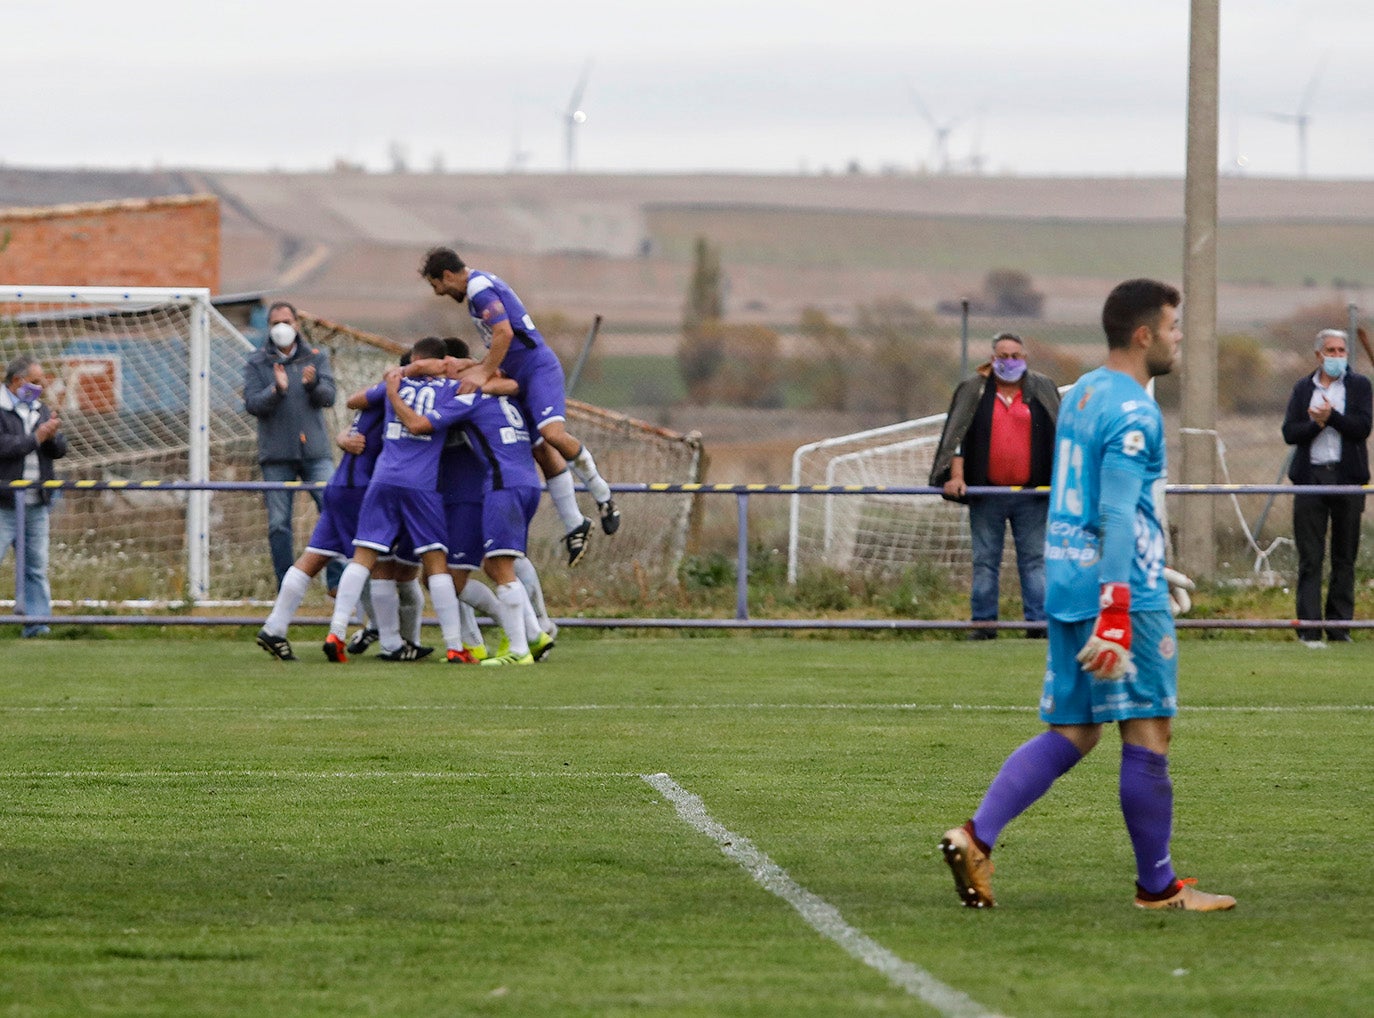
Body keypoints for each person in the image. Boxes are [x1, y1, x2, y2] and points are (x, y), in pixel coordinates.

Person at [938, 278, 1235, 913]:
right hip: (1117, 594)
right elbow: (1120, 513)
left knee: (1074, 730)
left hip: (1069, 584)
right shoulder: (1133, 409)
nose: (1180, 339)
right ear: (1144, 334)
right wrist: (1123, 608)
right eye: (1175, 328)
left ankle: (975, 835)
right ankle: (1158, 888)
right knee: (1149, 734)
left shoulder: (1083, 395)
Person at [419, 247, 620, 567]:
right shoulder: (478, 290)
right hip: (518, 371)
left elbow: (504, 332)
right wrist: (476, 365)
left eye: (437, 286)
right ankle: (575, 524)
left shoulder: (479, 289)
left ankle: (603, 494)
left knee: (551, 433)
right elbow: (499, 345)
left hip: (537, 369)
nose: (440, 293)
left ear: (446, 275)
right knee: (540, 449)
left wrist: (482, 373)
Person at [930, 332, 1059, 638]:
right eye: (1003, 356)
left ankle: (1038, 625)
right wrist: (956, 477)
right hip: (986, 493)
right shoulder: (974, 391)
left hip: (1032, 495)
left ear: (1024, 359)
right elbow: (957, 439)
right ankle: (984, 625)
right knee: (985, 562)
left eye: (1015, 356)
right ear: (992, 359)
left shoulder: (1042, 389)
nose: (1009, 362)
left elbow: (1060, 437)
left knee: (1034, 562)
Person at [1281, 328, 1372, 645]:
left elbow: (1361, 427)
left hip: (1347, 479)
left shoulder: (1359, 386)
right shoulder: (1303, 388)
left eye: (1341, 351)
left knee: (1344, 557)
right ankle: (1308, 628)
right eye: (1330, 351)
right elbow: (1290, 433)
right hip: (1311, 479)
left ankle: (1339, 627)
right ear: (1318, 355)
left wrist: (1331, 417)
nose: (1336, 357)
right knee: (1310, 557)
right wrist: (1315, 424)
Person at [242, 301, 339, 590]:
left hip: (315, 453)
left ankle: (336, 581)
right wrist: (277, 390)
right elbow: (252, 404)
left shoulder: (316, 357)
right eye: (275, 323)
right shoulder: (257, 362)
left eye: (287, 321)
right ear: (268, 327)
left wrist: (312, 385)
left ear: (297, 324)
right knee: (279, 524)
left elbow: (329, 397)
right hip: (276, 456)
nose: (282, 328)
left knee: (333, 512)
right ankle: (288, 586)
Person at [1, 357, 68, 638]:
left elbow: (58, 450)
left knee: (36, 568)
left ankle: (37, 626)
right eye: (37, 382)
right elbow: (4, 446)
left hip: (35, 503)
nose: (42, 388)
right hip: (2, 503)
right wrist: (36, 437)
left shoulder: (39, 409)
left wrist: (51, 436)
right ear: (18, 382)